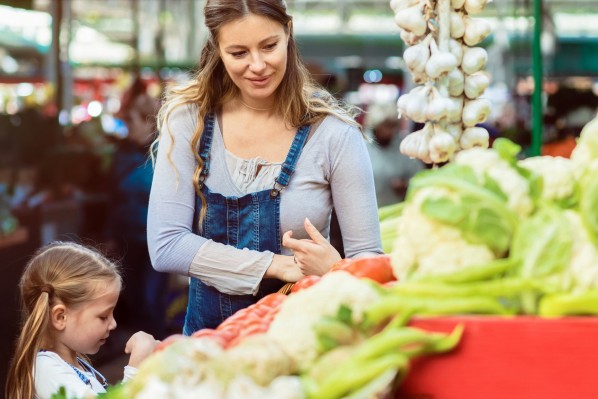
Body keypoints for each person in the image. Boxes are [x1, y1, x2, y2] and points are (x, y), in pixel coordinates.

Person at [148, 0, 383, 335]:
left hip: (304, 339)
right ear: (217, 48)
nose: (257, 65)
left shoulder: (335, 135)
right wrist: (280, 265)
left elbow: (369, 260)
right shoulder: (188, 120)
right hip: (206, 350)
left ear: (288, 33)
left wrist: (337, 269)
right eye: (238, 53)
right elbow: (166, 245)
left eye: (269, 46)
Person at [5, 241, 158, 399]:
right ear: (60, 317)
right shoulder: (47, 370)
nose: (113, 324)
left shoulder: (72, 365)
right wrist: (137, 368)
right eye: (103, 316)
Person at [104, 77, 168, 337]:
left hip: (156, 239)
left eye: (131, 121)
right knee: (129, 295)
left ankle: (154, 348)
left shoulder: (166, 152)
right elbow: (113, 196)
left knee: (151, 299)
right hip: (127, 237)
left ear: (149, 122)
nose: (126, 126)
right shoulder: (122, 152)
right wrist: (109, 233)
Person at [365, 103, 424, 206]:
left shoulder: (403, 146)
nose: (390, 131)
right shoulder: (361, 145)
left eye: (393, 126)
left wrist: (407, 186)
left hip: (395, 210)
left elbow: (420, 176)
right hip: (366, 209)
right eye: (386, 126)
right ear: (376, 125)